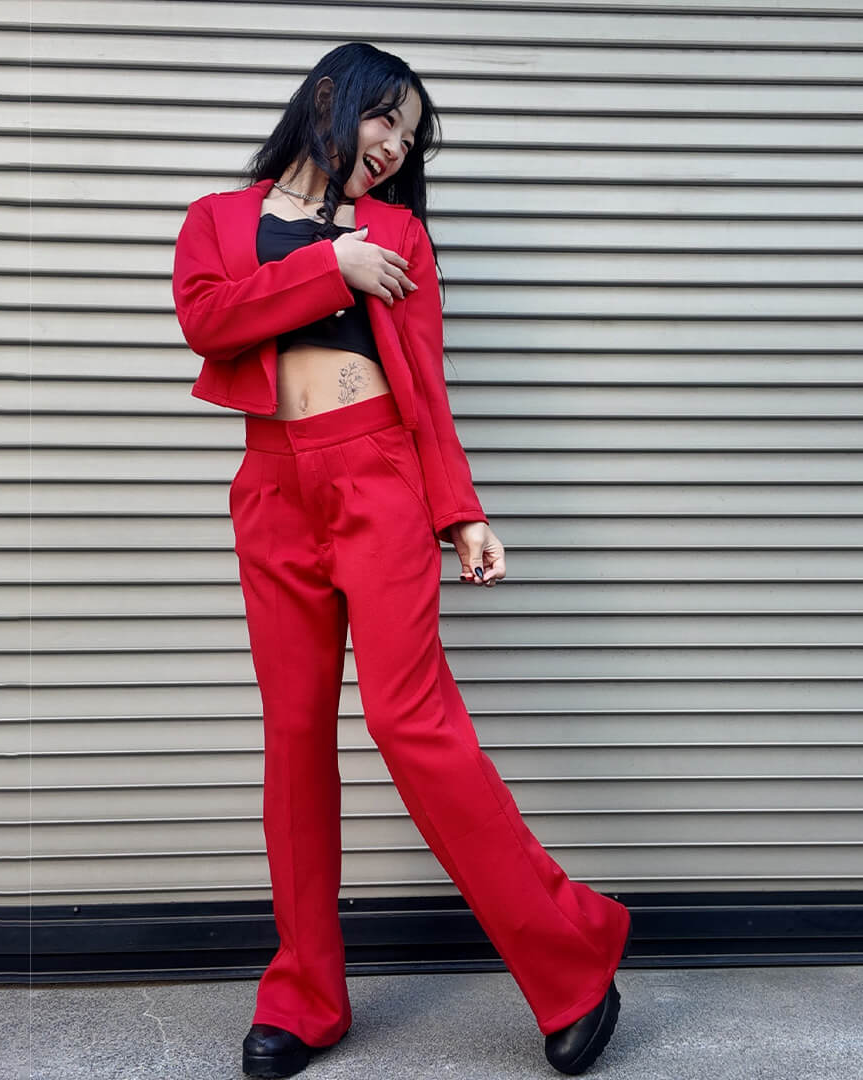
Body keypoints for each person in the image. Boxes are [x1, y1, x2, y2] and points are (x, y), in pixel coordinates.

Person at [172, 42, 633, 1079]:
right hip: (272, 490)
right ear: (329, 99)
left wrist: (461, 513)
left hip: (377, 478)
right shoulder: (218, 219)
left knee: (409, 722)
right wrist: (326, 268)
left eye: (409, 139)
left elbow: (424, 380)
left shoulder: (399, 234)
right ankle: (305, 997)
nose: (394, 148)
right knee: (293, 740)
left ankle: (571, 956)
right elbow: (206, 321)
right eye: (387, 120)